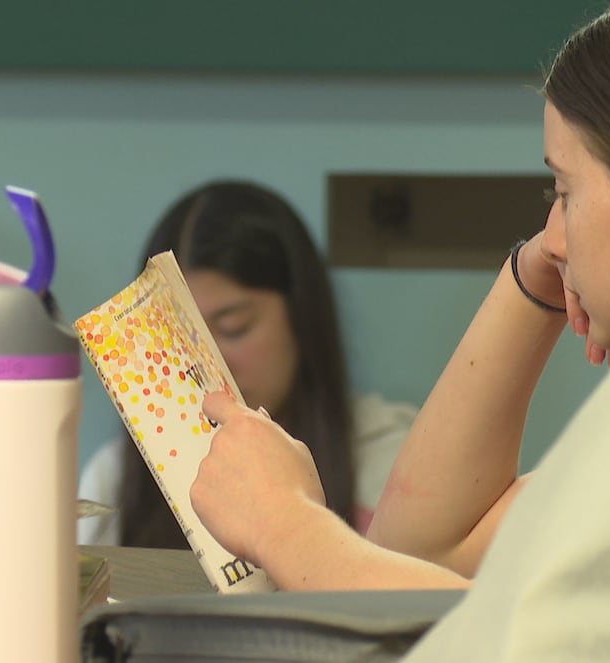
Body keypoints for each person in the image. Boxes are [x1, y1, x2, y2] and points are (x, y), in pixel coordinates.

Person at [190, 0, 610, 590]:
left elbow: (471, 632)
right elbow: (428, 549)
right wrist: (534, 276)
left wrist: (288, 525)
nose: (554, 230)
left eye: (566, 190)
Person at [78, 179, 418, 548]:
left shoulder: (393, 466)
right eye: (177, 339)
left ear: (303, 318)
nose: (209, 370)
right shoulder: (113, 481)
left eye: (233, 328)